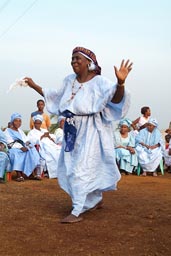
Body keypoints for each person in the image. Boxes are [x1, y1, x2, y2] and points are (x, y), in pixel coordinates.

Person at [24, 46, 133, 223]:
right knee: (72, 165)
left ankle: (77, 210)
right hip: (71, 130)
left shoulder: (100, 82)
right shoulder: (69, 81)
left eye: (77, 58)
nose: (74, 61)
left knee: (82, 168)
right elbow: (55, 97)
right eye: (72, 58)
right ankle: (95, 199)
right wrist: (34, 85)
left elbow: (116, 99)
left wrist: (120, 83)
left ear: (88, 63)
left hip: (92, 130)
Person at [4, 113, 40, 181]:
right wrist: (20, 147)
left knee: (32, 152)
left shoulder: (20, 131)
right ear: (12, 121)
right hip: (13, 149)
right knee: (16, 154)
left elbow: (25, 140)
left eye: (20, 121)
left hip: (23, 148)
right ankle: (19, 175)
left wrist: (28, 144)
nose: (18, 123)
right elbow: (9, 143)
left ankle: (31, 174)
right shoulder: (7, 131)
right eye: (16, 121)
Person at [27, 114, 61, 179]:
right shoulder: (32, 132)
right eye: (36, 123)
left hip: (50, 144)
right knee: (50, 154)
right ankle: (51, 173)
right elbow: (32, 141)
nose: (38, 124)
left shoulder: (44, 130)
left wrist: (48, 136)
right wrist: (42, 136)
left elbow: (53, 138)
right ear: (34, 123)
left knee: (59, 151)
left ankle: (58, 172)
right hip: (42, 145)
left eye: (39, 123)